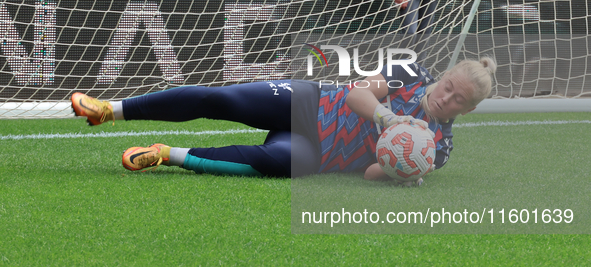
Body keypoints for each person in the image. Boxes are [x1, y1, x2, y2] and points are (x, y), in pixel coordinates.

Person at [71, 57, 496, 184]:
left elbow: (369, 174)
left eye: (458, 99)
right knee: (224, 100)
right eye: (448, 86)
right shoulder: (411, 75)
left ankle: (167, 155)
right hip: (310, 105)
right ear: (443, 76)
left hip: (319, 153)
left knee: (276, 163)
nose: (445, 98)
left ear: (468, 109)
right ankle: (111, 108)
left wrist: (404, 166)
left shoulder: (439, 147)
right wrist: (391, 120)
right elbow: (356, 93)